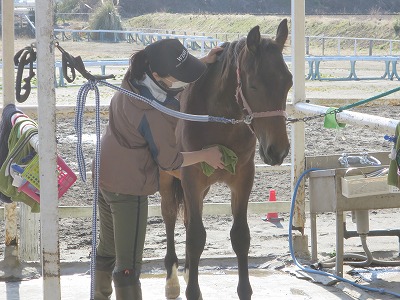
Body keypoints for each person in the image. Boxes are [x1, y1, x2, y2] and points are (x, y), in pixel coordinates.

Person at [94, 39, 224, 300]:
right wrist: (206, 155)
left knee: (108, 248)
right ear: (158, 76)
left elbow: (175, 73)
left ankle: (98, 295)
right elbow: (170, 162)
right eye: (180, 76)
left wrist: (202, 62)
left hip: (105, 174)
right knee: (128, 264)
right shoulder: (151, 112)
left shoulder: (134, 82)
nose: (183, 83)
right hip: (128, 188)